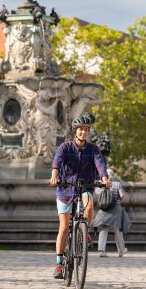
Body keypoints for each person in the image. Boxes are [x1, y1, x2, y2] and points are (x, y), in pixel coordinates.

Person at [49, 116, 111, 279]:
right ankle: (59, 264)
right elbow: (57, 163)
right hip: (65, 189)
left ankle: (85, 230)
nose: (83, 132)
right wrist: (54, 175)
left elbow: (100, 164)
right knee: (63, 227)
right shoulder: (65, 147)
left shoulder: (93, 149)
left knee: (89, 206)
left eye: (86, 129)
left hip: (84, 186)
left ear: (88, 132)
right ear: (75, 131)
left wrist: (104, 178)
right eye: (80, 129)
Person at [93, 168, 129, 257]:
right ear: (112, 176)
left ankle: (101, 251)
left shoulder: (101, 184)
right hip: (115, 209)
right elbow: (122, 196)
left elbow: (96, 193)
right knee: (118, 230)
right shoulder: (117, 184)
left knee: (103, 230)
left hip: (104, 209)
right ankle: (121, 250)